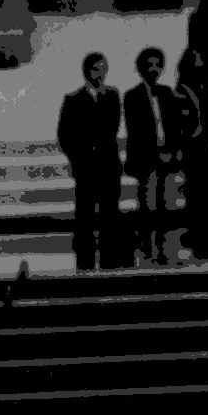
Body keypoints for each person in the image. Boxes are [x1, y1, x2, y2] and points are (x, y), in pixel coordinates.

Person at [123, 45, 192, 264]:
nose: (153, 69)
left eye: (157, 65)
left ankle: (164, 249)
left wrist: (174, 151)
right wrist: (155, 154)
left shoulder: (166, 93)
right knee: (147, 205)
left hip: (167, 157)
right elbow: (137, 131)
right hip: (146, 159)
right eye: (148, 65)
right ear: (140, 68)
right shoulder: (132, 96)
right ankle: (147, 247)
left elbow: (175, 125)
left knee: (165, 206)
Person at [56, 51, 123, 271]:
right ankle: (84, 261)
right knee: (85, 215)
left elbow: (111, 127)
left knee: (109, 214)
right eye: (96, 69)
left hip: (108, 166)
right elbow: (65, 136)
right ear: (86, 71)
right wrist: (79, 158)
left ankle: (110, 260)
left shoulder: (112, 96)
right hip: (86, 168)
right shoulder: (73, 100)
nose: (100, 74)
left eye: (103, 69)